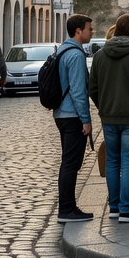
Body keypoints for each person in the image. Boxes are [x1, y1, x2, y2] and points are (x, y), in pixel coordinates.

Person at [88, 14, 129, 222]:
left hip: (109, 118)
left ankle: (115, 208)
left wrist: (105, 108)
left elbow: (93, 88)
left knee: (113, 162)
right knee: (128, 163)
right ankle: (126, 210)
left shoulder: (100, 56)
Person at [55, 14, 95, 224]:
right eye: (89, 28)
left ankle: (68, 206)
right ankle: (67, 209)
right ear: (78, 31)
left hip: (61, 114)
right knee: (71, 163)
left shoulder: (62, 50)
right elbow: (79, 91)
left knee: (68, 163)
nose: (92, 32)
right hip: (72, 116)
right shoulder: (76, 55)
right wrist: (86, 120)